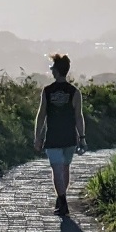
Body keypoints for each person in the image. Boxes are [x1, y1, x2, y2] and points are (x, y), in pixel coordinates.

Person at [34, 54, 86, 216]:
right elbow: (79, 116)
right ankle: (62, 198)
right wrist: (82, 137)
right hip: (70, 137)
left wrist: (37, 136)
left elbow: (41, 115)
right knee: (65, 168)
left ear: (56, 71)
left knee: (57, 170)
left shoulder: (47, 91)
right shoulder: (74, 92)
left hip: (53, 137)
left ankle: (62, 199)